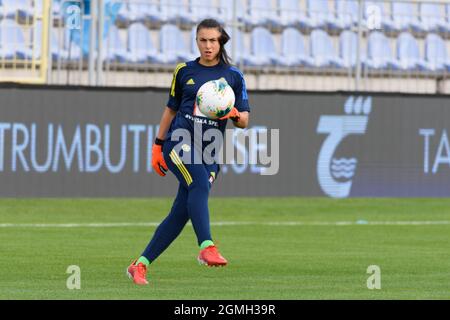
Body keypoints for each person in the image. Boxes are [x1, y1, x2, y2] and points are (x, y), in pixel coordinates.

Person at [127, 19, 250, 285]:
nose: (208, 46)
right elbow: (170, 109)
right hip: (179, 141)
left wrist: (234, 114)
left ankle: (139, 265)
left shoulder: (234, 76)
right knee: (198, 185)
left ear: (221, 43)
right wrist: (157, 146)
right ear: (197, 41)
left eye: (213, 41)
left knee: (181, 213)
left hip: (210, 154)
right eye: (203, 40)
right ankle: (207, 246)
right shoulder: (184, 71)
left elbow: (244, 122)